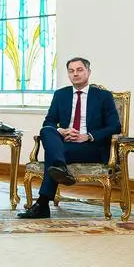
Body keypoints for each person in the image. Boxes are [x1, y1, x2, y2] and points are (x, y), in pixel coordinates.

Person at [19, 57, 121, 219]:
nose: (75, 74)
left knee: (52, 154)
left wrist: (87, 136)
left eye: (79, 70)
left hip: (91, 147)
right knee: (47, 130)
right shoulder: (61, 95)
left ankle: (43, 203)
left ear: (88, 72)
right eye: (71, 71)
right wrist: (62, 131)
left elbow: (115, 126)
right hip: (65, 144)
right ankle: (59, 167)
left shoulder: (103, 96)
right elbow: (49, 121)